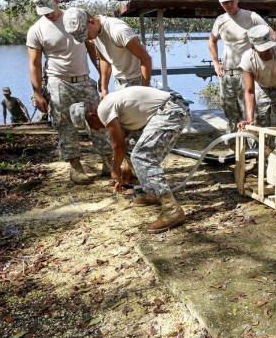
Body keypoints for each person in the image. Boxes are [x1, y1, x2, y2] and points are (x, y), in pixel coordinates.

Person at [69, 86, 191, 233]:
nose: (95, 130)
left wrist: (115, 171)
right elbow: (125, 146)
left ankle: (172, 210)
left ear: (92, 115)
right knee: (133, 148)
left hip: (172, 110)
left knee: (142, 156)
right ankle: (153, 192)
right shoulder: (110, 106)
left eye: (92, 126)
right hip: (167, 110)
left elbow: (118, 146)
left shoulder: (104, 109)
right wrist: (125, 179)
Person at [26, 0, 112, 185]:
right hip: (58, 82)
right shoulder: (36, 30)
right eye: (43, 11)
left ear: (56, 0)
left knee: (98, 119)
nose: (48, 14)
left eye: (50, 8)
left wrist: (102, 76)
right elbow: (34, 64)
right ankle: (75, 167)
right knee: (64, 125)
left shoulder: (75, 18)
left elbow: (92, 48)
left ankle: (107, 161)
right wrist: (37, 93)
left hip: (83, 79)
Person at [208, 0, 276, 136]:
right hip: (227, 75)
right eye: (225, 2)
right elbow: (212, 41)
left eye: (231, 1)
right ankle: (235, 150)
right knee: (230, 114)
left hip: (248, 73)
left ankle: (254, 150)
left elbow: (272, 37)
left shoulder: (251, 17)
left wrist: (258, 53)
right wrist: (215, 63)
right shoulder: (220, 21)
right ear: (221, 3)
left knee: (251, 115)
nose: (229, 5)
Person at [63, 7, 152, 98]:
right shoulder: (94, 34)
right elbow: (104, 59)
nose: (86, 38)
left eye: (85, 34)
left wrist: (144, 91)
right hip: (119, 82)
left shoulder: (118, 31)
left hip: (137, 82)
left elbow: (145, 59)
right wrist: (104, 88)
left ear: (92, 22)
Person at [237, 25, 276, 130]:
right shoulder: (248, 59)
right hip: (261, 87)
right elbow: (249, 91)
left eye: (270, 47)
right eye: (264, 49)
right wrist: (250, 120)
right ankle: (260, 145)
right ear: (253, 47)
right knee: (258, 122)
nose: (269, 51)